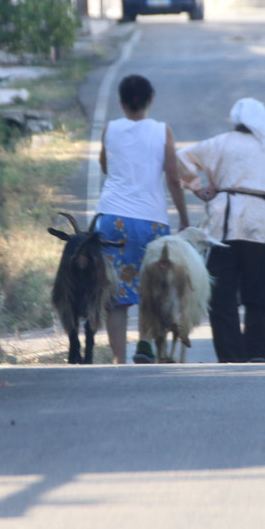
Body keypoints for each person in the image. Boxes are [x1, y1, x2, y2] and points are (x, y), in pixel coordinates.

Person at [176, 98, 265, 363]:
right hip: (261, 220)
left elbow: (181, 157)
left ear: (236, 121)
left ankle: (230, 357)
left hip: (223, 223)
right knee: (261, 289)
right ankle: (258, 353)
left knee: (221, 293)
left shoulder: (219, 143)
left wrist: (197, 187)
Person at [94, 74, 189, 364]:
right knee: (152, 286)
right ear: (151, 100)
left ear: (121, 103)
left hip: (112, 219)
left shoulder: (110, 129)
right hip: (152, 221)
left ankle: (119, 360)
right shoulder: (162, 131)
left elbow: (105, 166)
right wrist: (184, 217)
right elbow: (173, 179)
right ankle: (145, 344)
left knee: (115, 296)